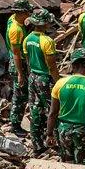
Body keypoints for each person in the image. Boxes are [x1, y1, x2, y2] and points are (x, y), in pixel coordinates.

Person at [23, 9, 59, 155]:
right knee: (53, 110)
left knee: (35, 109)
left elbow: (27, 61)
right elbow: (52, 66)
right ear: (44, 24)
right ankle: (56, 141)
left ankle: (37, 144)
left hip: (33, 77)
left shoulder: (28, 39)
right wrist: (58, 82)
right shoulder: (47, 41)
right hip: (45, 78)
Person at [6, 0, 35, 136]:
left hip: (17, 61)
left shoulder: (13, 18)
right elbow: (17, 54)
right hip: (18, 63)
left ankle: (15, 121)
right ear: (21, 13)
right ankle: (15, 125)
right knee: (20, 96)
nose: (29, 14)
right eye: (27, 12)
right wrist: (20, 73)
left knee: (20, 94)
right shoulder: (16, 30)